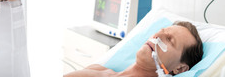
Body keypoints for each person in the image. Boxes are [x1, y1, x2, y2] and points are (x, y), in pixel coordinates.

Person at [64, 21, 203, 77]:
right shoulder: (98, 70)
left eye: (170, 40)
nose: (157, 35)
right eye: (161, 31)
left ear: (180, 69)